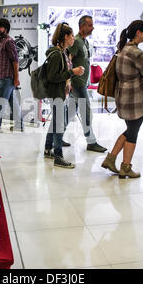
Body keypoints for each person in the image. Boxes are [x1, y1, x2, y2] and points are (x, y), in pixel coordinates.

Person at [101, 20, 143, 178]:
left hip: (122, 96)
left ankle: (111, 159)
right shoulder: (137, 53)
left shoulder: (123, 49)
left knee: (131, 130)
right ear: (138, 32)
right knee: (133, 131)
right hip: (134, 99)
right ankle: (125, 167)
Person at [44, 23, 85, 169]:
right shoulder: (57, 54)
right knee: (59, 124)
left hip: (60, 92)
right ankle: (58, 156)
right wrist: (72, 72)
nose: (74, 38)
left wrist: (68, 81)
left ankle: (48, 149)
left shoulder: (63, 52)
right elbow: (53, 77)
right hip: (56, 94)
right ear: (65, 37)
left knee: (56, 122)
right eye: (72, 35)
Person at [66, 15, 107, 153]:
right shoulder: (76, 41)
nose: (92, 27)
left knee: (69, 113)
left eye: (92, 25)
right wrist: (68, 80)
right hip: (77, 83)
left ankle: (56, 138)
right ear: (82, 26)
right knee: (86, 112)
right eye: (89, 25)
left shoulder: (85, 42)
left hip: (82, 83)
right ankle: (91, 142)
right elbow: (68, 61)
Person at [0, 18, 22, 131]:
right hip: (4, 77)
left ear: (6, 28)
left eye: (0, 27)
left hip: (8, 78)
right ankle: (19, 125)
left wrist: (16, 78)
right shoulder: (1, 41)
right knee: (13, 102)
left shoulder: (9, 41)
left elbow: (15, 60)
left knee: (1, 102)